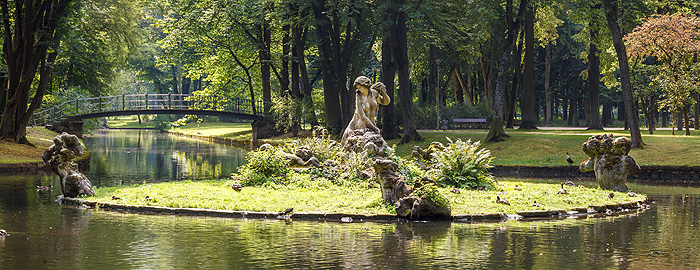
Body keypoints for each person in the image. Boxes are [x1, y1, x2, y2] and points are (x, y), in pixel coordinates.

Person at [341, 76, 391, 146]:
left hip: (371, 124)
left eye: (360, 87)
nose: (358, 89)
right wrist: (375, 129)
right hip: (359, 126)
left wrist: (384, 92)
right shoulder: (358, 96)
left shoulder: (374, 93)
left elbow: (386, 102)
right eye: (357, 88)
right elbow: (362, 117)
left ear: (365, 86)